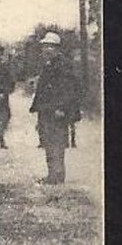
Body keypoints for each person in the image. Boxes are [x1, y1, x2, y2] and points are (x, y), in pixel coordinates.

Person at [29, 32, 81, 184]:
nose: (46, 50)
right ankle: (52, 174)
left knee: (56, 141)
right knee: (47, 140)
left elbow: (68, 89)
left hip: (57, 110)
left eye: (50, 47)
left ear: (57, 49)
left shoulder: (62, 65)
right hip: (47, 109)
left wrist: (61, 108)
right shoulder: (49, 64)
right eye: (45, 46)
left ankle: (57, 175)